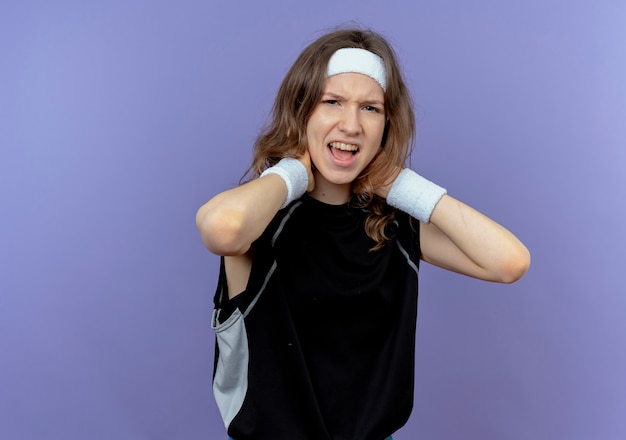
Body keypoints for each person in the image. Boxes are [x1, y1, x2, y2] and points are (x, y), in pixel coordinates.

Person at [196, 26, 530, 440]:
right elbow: (221, 229)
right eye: (331, 102)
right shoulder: (260, 221)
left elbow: (509, 262)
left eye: (370, 108)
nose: (351, 124)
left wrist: (405, 188)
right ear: (302, 111)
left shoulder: (395, 225)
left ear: (386, 124)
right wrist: (294, 171)